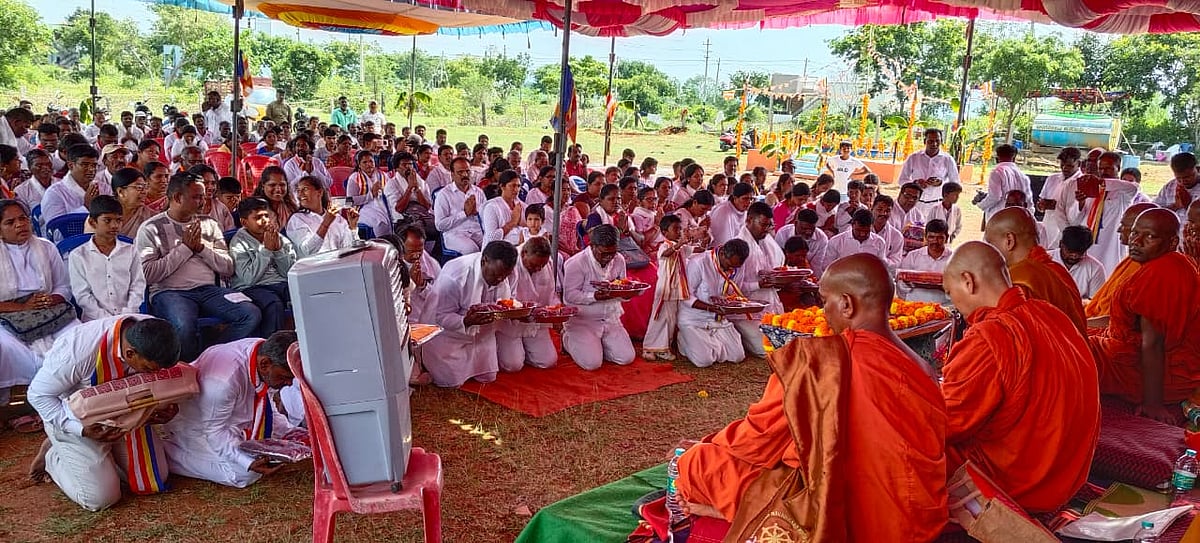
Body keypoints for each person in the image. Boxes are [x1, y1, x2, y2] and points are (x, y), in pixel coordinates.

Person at [675, 253, 946, 540]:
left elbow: (755, 439)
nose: (823, 310)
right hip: (917, 514)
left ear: (846, 304)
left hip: (850, 509)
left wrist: (704, 443)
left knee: (699, 463)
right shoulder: (922, 366)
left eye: (824, 300)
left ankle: (740, 510)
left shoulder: (821, 363)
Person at [941, 241, 1099, 513]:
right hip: (1067, 475)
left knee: (906, 440)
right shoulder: (1051, 314)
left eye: (949, 292)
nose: (954, 303)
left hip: (1015, 483)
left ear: (968, 282)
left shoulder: (989, 337)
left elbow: (948, 423)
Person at [26, 316, 181, 511]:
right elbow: (38, 395)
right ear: (130, 353)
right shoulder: (78, 353)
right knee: (101, 497)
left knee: (155, 475)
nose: (153, 375)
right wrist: (80, 430)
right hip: (77, 417)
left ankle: (95, 459)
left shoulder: (155, 332)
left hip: (123, 414)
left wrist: (164, 407)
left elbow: (164, 381)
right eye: (148, 369)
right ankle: (54, 455)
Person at [1088, 208, 1200, 422]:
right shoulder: (1169, 263)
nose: (1136, 241)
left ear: (1172, 242)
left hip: (1138, 370)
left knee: (1058, 352)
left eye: (1149, 236)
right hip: (1131, 354)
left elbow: (1153, 343)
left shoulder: (1161, 273)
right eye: (1135, 233)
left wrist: (1153, 404)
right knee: (1072, 336)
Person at [136, 172, 261, 362]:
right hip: (170, 291)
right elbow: (148, 274)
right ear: (177, 197)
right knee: (183, 325)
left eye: (203, 196)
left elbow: (228, 268)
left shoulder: (209, 224)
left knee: (250, 313)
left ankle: (211, 358)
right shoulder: (152, 228)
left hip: (209, 290)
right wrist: (185, 249)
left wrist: (201, 248)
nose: (203, 201)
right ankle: (189, 368)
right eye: (197, 197)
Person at [160, 331, 297, 488]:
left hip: (230, 419)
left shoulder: (263, 350)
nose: (289, 384)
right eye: (285, 377)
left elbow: (266, 404)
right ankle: (168, 455)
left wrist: (289, 432)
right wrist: (247, 462)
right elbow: (214, 432)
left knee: (277, 449)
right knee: (244, 473)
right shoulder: (224, 382)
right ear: (265, 364)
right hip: (196, 426)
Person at [422, 240, 518, 387]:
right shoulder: (456, 276)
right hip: (447, 336)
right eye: (495, 274)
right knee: (450, 382)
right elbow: (439, 316)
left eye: (504, 276)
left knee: (488, 376)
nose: (499, 280)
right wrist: (466, 321)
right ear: (484, 260)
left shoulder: (504, 272)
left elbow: (503, 303)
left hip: (481, 336)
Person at [983, 207, 1087, 335]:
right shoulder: (1057, 270)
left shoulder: (1019, 284)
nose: (988, 251)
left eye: (991, 243)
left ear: (1009, 240)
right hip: (1078, 352)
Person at [561, 225, 637, 370]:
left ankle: (598, 345)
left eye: (612, 253)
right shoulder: (576, 263)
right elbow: (569, 296)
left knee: (626, 358)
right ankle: (567, 338)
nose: (609, 258)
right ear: (592, 246)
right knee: (592, 364)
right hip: (583, 321)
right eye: (604, 253)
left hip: (610, 318)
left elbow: (623, 284)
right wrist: (594, 296)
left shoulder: (619, 259)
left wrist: (627, 294)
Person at [68, 196, 145, 321]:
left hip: (129, 317)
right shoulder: (78, 255)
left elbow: (138, 286)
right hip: (94, 320)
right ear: (93, 222)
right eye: (107, 220)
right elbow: (82, 295)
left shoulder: (131, 251)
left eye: (119, 220)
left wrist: (126, 314)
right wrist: (106, 319)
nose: (115, 225)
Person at [230, 197, 297, 339]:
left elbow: (288, 273)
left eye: (266, 216)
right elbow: (249, 278)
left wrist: (278, 250)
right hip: (253, 287)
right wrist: (266, 250)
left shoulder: (278, 237)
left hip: (279, 283)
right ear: (244, 222)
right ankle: (271, 347)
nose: (265, 221)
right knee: (273, 303)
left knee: (301, 293)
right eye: (258, 217)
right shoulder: (238, 243)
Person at [1063, 151, 1141, 275]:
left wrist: (1101, 183)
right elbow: (1075, 220)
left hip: (1110, 246)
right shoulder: (1091, 188)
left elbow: (1133, 187)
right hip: (1088, 245)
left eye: (1109, 168)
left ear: (1118, 168)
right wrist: (1081, 203)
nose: (1104, 172)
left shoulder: (1124, 192)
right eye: (1101, 168)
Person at [675, 239, 750, 367]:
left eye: (736, 267)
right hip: (694, 319)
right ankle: (683, 339)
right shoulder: (699, 263)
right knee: (704, 361)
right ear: (722, 254)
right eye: (730, 265)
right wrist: (711, 308)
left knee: (737, 356)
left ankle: (711, 343)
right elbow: (685, 296)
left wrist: (733, 303)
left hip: (718, 320)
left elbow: (733, 290)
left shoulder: (735, 266)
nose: (732, 269)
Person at [1084, 203, 1158, 318]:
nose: (1119, 230)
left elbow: (1116, 319)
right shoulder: (1132, 260)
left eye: (1124, 225)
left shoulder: (1144, 267)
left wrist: (1080, 324)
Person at [496, 237, 559, 370]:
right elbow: (501, 299)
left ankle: (525, 350)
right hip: (510, 324)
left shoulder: (546, 263)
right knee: (513, 365)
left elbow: (551, 294)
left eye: (542, 265)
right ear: (524, 253)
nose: (538, 268)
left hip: (535, 322)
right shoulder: (509, 263)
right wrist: (519, 313)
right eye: (534, 265)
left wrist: (556, 311)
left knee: (548, 361)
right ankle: (505, 347)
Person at [732, 202, 785, 357]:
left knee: (787, 338)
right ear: (749, 220)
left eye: (769, 225)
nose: (767, 230)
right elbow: (731, 287)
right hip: (746, 310)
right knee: (766, 348)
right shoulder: (738, 246)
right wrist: (758, 284)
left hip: (770, 302)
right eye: (763, 225)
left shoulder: (767, 241)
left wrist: (779, 280)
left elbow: (779, 267)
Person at [643, 215, 693, 361]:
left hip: (674, 290)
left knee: (670, 319)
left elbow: (696, 250)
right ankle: (649, 347)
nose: (679, 232)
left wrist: (703, 238)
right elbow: (665, 254)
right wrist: (679, 245)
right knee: (659, 317)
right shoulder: (664, 245)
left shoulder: (681, 247)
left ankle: (663, 348)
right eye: (675, 229)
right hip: (664, 290)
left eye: (680, 229)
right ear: (665, 232)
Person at [288, 176, 357, 258]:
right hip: (313, 268)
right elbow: (307, 251)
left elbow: (350, 249)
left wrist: (353, 227)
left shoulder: (338, 219)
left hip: (337, 266)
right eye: (298, 191)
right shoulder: (297, 219)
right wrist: (325, 223)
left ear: (319, 192)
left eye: (305, 189)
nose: (300, 194)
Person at [898, 128, 959, 216]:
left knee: (935, 230)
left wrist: (941, 183)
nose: (934, 144)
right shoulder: (914, 158)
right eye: (930, 141)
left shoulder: (948, 159)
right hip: (915, 204)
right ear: (924, 141)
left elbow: (955, 184)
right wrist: (915, 184)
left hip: (937, 204)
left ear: (941, 141)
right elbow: (902, 180)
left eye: (937, 141)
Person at [434, 157, 486, 255]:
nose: (465, 175)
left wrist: (477, 212)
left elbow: (486, 217)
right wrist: (464, 214)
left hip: (476, 231)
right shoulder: (444, 194)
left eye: (467, 171)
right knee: (472, 250)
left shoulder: (478, 192)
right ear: (452, 175)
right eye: (460, 172)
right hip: (455, 234)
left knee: (492, 247)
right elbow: (440, 226)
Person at [41, 144, 103, 225]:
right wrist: (86, 207)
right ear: (70, 165)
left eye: (94, 165)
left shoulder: (103, 187)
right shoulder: (54, 193)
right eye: (85, 165)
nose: (91, 170)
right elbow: (55, 228)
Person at [896, 219, 952, 304]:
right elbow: (901, 284)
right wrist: (909, 284)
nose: (935, 241)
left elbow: (958, 287)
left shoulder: (954, 259)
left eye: (940, 238)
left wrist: (943, 287)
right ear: (925, 237)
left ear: (947, 238)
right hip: (914, 304)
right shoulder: (913, 256)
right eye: (931, 237)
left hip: (944, 305)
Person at [1038, 147, 1083, 248]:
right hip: (1047, 229)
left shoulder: (1082, 183)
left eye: (1069, 166)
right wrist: (1042, 206)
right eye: (1062, 164)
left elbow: (1079, 212)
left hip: (1067, 232)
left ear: (1079, 164)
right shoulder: (1052, 179)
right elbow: (1040, 205)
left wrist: (1056, 206)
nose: (1064, 168)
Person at [975, 144, 1032, 223]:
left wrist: (980, 204)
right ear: (1014, 157)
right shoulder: (1023, 176)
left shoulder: (997, 172)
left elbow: (995, 197)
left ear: (997, 157)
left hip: (999, 218)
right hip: (1017, 219)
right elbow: (1029, 201)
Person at [1052, 225, 1106, 300]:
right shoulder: (1044, 260)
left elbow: (1095, 302)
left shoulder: (1095, 268)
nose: (1074, 256)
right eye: (1070, 251)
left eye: (1080, 253)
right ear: (1061, 244)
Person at [824, 209, 888, 269]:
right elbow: (827, 267)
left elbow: (882, 267)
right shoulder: (836, 242)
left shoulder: (879, 242)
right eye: (858, 230)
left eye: (866, 231)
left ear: (871, 226)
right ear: (852, 225)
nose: (862, 234)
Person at [1152, 152, 1200, 226]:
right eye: (1178, 178)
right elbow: (1154, 212)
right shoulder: (1170, 187)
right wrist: (1175, 206)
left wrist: (1188, 206)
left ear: (1196, 168)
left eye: (1187, 177)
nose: (1182, 181)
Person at [482, 170, 525, 245]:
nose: (516, 190)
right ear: (502, 186)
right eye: (513, 185)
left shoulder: (521, 205)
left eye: (518, 186)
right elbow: (491, 238)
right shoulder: (492, 207)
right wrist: (512, 223)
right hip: (498, 250)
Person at [708, 182, 755, 247]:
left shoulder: (745, 212)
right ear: (735, 198)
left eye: (751, 199)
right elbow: (721, 243)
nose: (749, 202)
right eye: (745, 198)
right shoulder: (723, 212)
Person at [868, 194, 904, 270]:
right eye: (879, 209)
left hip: (882, 273)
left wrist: (881, 261)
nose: (883, 214)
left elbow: (896, 262)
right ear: (872, 208)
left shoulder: (897, 236)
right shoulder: (860, 230)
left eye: (887, 211)